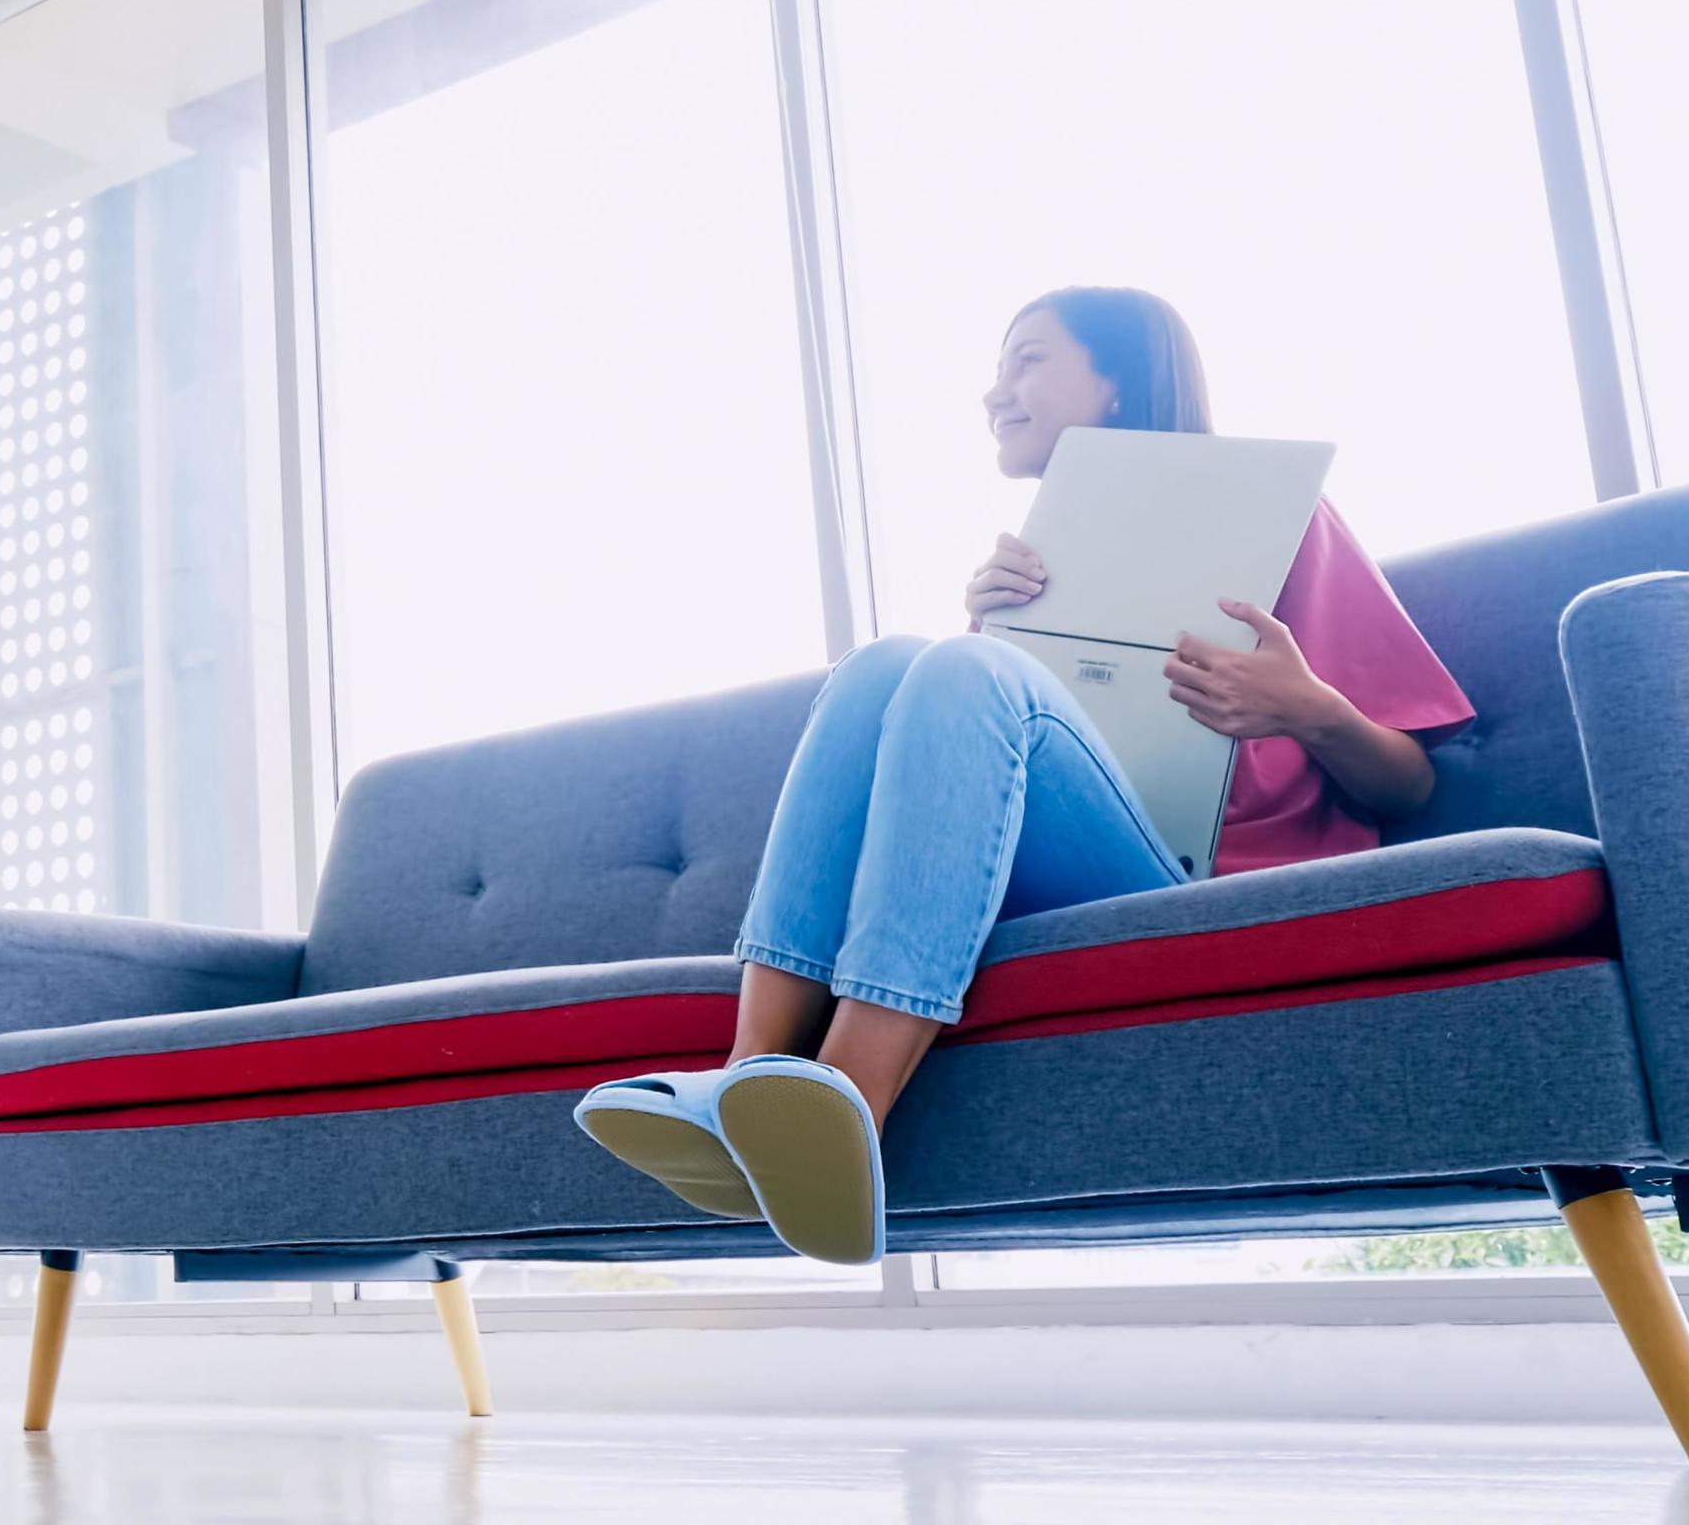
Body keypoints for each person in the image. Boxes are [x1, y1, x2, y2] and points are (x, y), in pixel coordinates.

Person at [571, 287, 1475, 1265]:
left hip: (1195, 879)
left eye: (1028, 361)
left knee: (958, 670)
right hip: (1053, 863)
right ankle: (748, 1077)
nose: (995, 392)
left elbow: (1413, 786)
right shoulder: (1040, 561)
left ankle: (851, 1099)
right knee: (882, 663)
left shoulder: (1280, 521)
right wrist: (993, 633)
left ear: (1118, 382)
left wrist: (1309, 708)